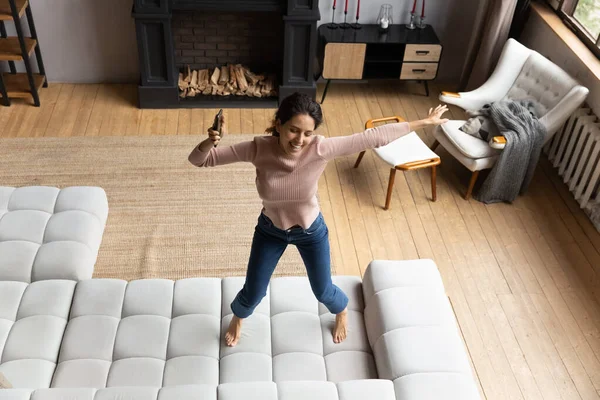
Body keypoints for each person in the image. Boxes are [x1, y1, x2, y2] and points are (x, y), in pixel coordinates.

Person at [188, 92, 449, 347]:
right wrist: (211, 141)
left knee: (323, 291)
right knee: (254, 291)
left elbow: (373, 137)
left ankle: (342, 311)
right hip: (270, 230)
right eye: (293, 130)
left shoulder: (320, 148)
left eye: (307, 133)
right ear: (278, 124)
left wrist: (423, 123)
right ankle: (239, 318)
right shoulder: (258, 149)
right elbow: (199, 160)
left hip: (310, 231)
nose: (299, 140)